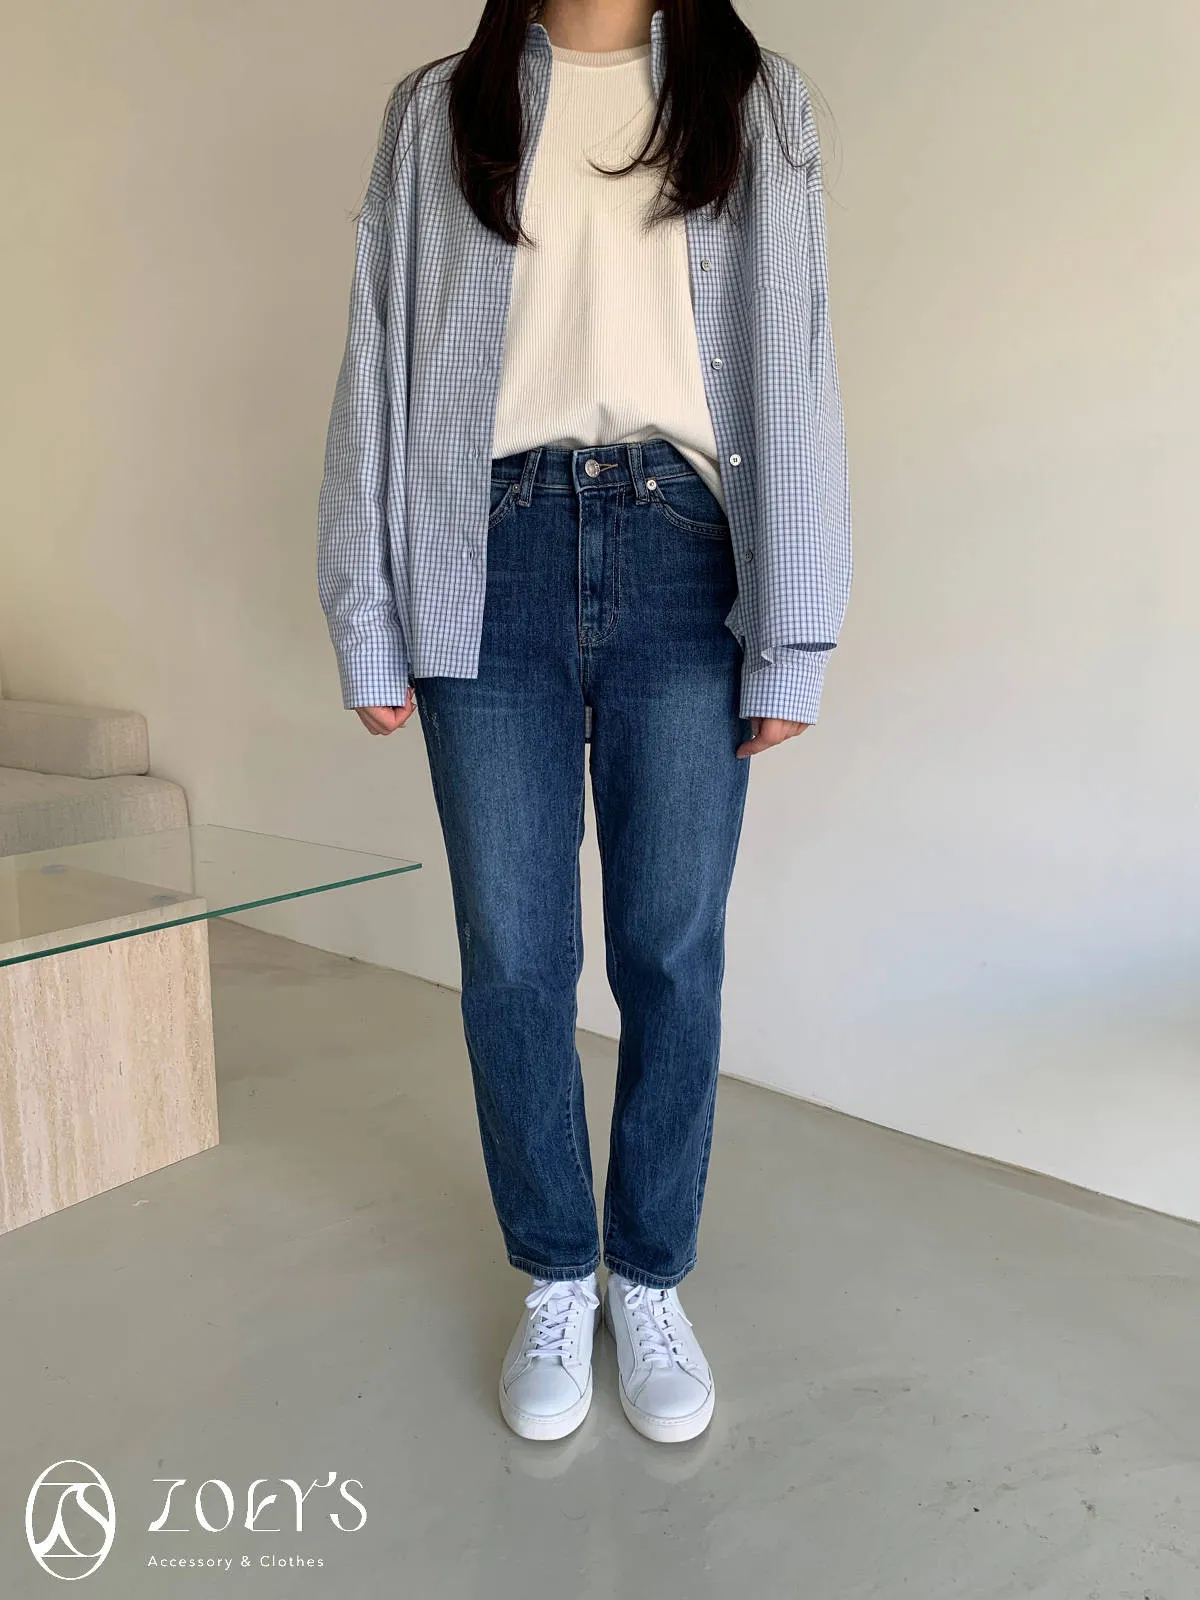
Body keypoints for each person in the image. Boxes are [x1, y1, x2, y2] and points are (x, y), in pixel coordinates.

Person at [316, 0, 851, 1444]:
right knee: (513, 953)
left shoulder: (758, 100)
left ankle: (649, 1274)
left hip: (687, 552)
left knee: (670, 948)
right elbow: (378, 350)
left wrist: (792, 633)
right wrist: (369, 609)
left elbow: (796, 359)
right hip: (484, 549)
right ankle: (559, 1269)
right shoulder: (440, 108)